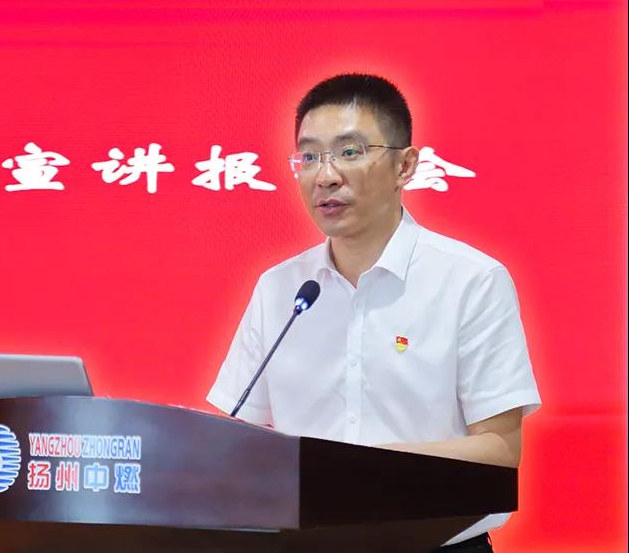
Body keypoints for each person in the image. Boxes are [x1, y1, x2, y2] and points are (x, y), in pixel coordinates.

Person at [206, 73, 541, 551]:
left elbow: (500, 451)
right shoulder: (280, 289)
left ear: (405, 166)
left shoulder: (471, 280)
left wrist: (362, 471)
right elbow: (237, 434)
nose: (325, 176)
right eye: (309, 157)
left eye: (350, 152)